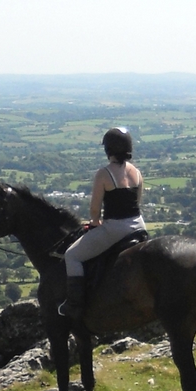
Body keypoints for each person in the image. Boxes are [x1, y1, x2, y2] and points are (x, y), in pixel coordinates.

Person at [58, 127, 146, 319]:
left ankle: (75, 305)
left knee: (72, 255)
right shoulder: (137, 172)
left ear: (108, 150)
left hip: (116, 228)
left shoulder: (104, 174)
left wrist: (95, 222)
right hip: (139, 226)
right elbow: (137, 202)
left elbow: (94, 210)